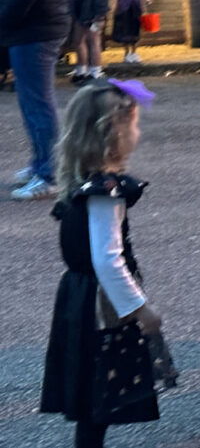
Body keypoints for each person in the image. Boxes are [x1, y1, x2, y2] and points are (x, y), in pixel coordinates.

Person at [40, 79, 162, 447]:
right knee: (100, 395)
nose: (137, 132)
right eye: (134, 124)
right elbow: (108, 260)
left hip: (79, 297)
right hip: (100, 306)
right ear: (114, 132)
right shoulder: (107, 193)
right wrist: (142, 310)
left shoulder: (82, 183)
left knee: (90, 393)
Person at [0, 0, 71, 200]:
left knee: (37, 103)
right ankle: (41, 163)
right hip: (42, 28)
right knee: (36, 102)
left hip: (34, 32)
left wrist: (4, 23)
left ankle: (48, 173)